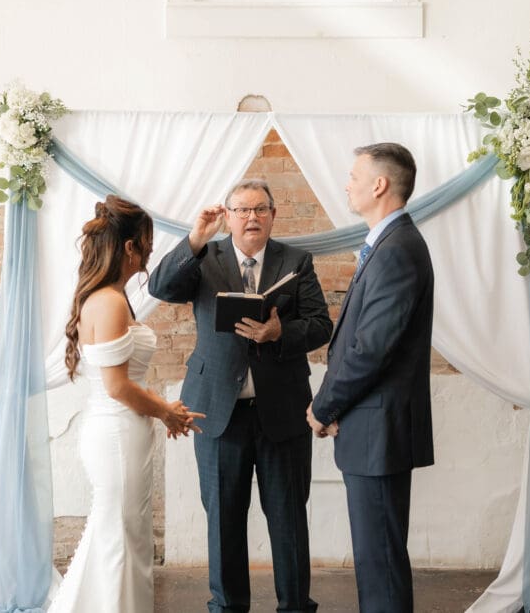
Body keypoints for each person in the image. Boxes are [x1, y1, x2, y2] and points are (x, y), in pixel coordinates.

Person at [149, 178, 333, 613]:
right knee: (224, 521)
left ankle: (295, 606)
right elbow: (160, 288)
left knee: (288, 519)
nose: (252, 217)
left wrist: (279, 332)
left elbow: (321, 324)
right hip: (216, 410)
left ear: (273, 215)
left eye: (261, 209)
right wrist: (195, 237)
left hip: (283, 412)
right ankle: (227, 607)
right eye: (243, 210)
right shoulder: (204, 257)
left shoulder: (296, 260)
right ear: (227, 216)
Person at [49, 195, 204, 613]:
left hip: (119, 428)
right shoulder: (112, 301)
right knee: (120, 534)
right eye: (148, 242)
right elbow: (117, 386)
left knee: (123, 531)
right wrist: (165, 410)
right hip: (117, 430)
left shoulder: (106, 296)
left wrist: (159, 409)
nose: (151, 251)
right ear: (130, 246)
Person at [307, 143, 435, 613]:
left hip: (377, 432)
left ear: (379, 184)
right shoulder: (388, 243)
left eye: (354, 175)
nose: (347, 183)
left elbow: (370, 350)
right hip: (369, 428)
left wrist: (323, 406)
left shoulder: (397, 249)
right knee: (376, 558)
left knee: (379, 562)